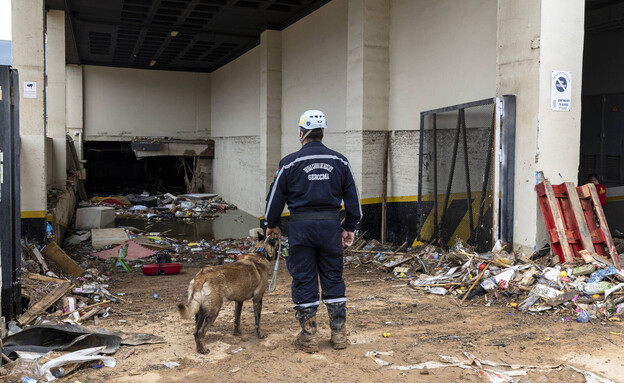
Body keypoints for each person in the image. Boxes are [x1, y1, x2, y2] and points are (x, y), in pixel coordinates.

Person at [264, 110, 362, 353]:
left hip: (301, 229)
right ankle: (338, 334)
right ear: (322, 133)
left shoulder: (289, 162)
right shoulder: (340, 161)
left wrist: (271, 224)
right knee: (333, 276)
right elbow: (354, 200)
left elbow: (275, 198)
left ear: (301, 133)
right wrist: (349, 227)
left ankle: (308, 336)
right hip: (330, 228)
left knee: (305, 277)